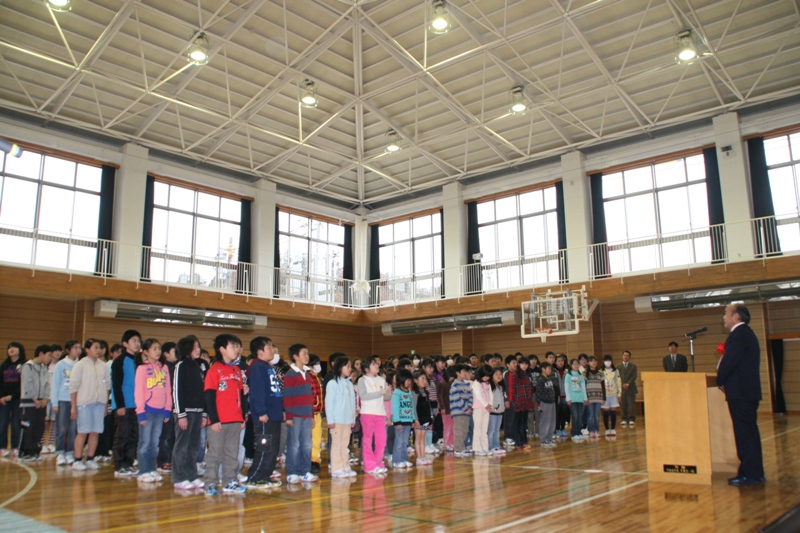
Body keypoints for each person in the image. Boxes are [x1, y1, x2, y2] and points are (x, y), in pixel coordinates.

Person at [718, 304, 765, 486]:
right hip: (748, 392)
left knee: (745, 434)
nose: (723, 317)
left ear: (736, 316)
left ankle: (749, 473)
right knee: (750, 433)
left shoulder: (738, 335)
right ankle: (755, 471)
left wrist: (720, 380)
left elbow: (729, 363)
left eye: (726, 314)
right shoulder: (747, 333)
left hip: (740, 393)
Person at [203, 334, 247, 495]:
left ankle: (230, 481)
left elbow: (241, 395)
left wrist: (242, 415)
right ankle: (210, 482)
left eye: (237, 346)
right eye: (232, 346)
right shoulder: (214, 370)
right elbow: (208, 396)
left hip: (235, 419)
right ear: (222, 349)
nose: (236, 349)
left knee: (232, 453)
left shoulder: (236, 371)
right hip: (219, 421)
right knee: (215, 453)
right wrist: (213, 419)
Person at [244, 336, 283, 490]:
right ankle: (255, 477)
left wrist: (282, 411)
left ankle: (265, 475)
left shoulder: (268, 366)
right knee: (264, 446)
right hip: (264, 415)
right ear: (259, 352)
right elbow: (257, 392)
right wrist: (260, 412)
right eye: (268, 347)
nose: (272, 350)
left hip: (274, 414)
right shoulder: (257, 367)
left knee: (273, 447)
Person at [69, 339, 111, 471]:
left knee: (95, 432)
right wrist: (73, 406)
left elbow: (107, 386)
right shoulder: (80, 365)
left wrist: (104, 404)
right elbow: (73, 387)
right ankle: (77, 459)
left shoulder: (103, 366)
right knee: (82, 432)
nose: (98, 350)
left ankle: (90, 458)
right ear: (87, 349)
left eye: (100, 348)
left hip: (99, 404)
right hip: (84, 404)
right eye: (95, 347)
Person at [171, 336, 206, 491]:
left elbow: (202, 392)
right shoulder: (181, 365)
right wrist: (181, 414)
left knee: (193, 446)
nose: (198, 350)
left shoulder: (197, 366)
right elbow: (176, 390)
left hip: (197, 413)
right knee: (182, 446)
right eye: (195, 347)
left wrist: (204, 413)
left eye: (198, 346)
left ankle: (191, 475)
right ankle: (179, 478)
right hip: (185, 413)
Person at [134, 339, 172, 483]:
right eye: (154, 349)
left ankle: (152, 469)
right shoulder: (142, 369)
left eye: (159, 348)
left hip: (160, 411)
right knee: (145, 442)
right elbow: (138, 391)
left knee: (155, 442)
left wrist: (167, 408)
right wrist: (140, 412)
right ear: (146, 352)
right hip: (147, 410)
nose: (157, 351)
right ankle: (143, 470)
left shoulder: (164, 368)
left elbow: (168, 390)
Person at [282, 343, 319, 485]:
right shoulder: (290, 375)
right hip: (295, 416)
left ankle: (305, 471)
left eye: (307, 353)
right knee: (294, 444)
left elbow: (309, 397)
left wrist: (311, 415)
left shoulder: (308, 375)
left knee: (307, 444)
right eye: (304, 353)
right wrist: (289, 416)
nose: (307, 356)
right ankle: (292, 472)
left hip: (306, 416)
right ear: (295, 357)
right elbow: (287, 397)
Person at [111, 330, 141, 478]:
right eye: (134, 341)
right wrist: (120, 405)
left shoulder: (139, 361)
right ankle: (119, 464)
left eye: (138, 341)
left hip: (137, 405)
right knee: (122, 435)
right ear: (125, 343)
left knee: (134, 435)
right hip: (125, 405)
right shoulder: (120, 361)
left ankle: (129, 462)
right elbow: (116, 385)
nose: (137, 343)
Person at [357, 356, 391, 475]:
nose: (377, 366)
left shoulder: (382, 379)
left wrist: (387, 391)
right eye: (373, 364)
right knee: (367, 440)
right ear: (366, 369)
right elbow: (363, 396)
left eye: (376, 364)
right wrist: (380, 393)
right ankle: (369, 466)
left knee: (381, 440)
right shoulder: (362, 380)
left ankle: (378, 462)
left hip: (380, 413)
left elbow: (387, 397)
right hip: (367, 413)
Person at [326, 356, 358, 478]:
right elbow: (329, 403)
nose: (350, 368)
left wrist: (352, 419)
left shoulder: (349, 384)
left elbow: (352, 402)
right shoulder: (332, 384)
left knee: (345, 445)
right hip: (337, 420)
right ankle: (336, 468)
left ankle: (345, 466)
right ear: (339, 367)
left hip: (347, 420)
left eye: (350, 366)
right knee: (336, 445)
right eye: (347, 366)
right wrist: (330, 420)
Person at [19, 344, 51, 461]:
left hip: (41, 403)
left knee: (39, 428)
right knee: (28, 427)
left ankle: (34, 451)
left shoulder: (44, 368)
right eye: (49, 355)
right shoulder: (28, 367)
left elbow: (47, 384)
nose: (50, 358)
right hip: (28, 403)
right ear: (41, 354)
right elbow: (27, 385)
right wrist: (34, 399)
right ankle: (24, 452)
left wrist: (45, 398)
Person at [52, 340, 80, 465]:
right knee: (61, 428)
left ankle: (70, 452)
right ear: (68, 350)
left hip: (77, 400)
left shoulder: (80, 365)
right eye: (75, 348)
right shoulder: (60, 365)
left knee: (73, 429)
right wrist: (54, 402)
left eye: (79, 348)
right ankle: (60, 452)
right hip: (63, 399)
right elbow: (55, 384)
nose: (78, 350)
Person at [0, 342, 26, 457]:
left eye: (14, 347)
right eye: (9, 347)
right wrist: (1, 396)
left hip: (17, 400)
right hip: (3, 400)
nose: (11, 349)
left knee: (15, 423)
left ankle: (15, 447)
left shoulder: (24, 365)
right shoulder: (4, 365)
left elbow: (23, 384)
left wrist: (12, 396)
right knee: (3, 423)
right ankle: (2, 447)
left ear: (20, 350)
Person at [157, 341, 177, 474]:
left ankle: (172, 460)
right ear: (166, 354)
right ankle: (163, 461)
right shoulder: (163, 368)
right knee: (165, 435)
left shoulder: (178, 367)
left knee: (174, 435)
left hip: (176, 407)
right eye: (174, 351)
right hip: (166, 407)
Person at [391, 369, 415, 468]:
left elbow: (411, 406)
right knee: (399, 442)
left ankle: (404, 459)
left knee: (405, 442)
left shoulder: (409, 392)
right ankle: (397, 461)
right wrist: (397, 421)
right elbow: (395, 408)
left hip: (408, 422)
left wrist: (412, 419)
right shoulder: (396, 393)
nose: (409, 382)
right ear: (401, 380)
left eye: (410, 380)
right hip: (400, 422)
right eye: (407, 380)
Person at [449, 364, 473, 458]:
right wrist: (465, 408)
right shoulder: (454, 385)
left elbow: (471, 396)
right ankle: (458, 448)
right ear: (457, 373)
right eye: (464, 372)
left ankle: (462, 446)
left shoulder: (466, 385)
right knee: (459, 430)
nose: (466, 373)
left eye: (467, 372)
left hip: (467, 412)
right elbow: (456, 398)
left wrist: (470, 407)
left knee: (465, 430)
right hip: (458, 412)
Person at [470, 365, 493, 456]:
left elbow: (491, 394)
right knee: (478, 429)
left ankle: (485, 447)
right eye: (486, 375)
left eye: (488, 376)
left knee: (484, 429)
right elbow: (478, 396)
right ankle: (477, 448)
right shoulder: (476, 383)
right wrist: (486, 405)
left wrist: (490, 404)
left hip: (486, 409)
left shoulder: (488, 384)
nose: (487, 378)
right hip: (478, 408)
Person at [412, 371, 433, 466]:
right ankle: (419, 457)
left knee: (423, 438)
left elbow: (428, 406)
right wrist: (415, 419)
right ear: (415, 381)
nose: (424, 381)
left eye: (425, 379)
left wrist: (430, 418)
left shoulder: (426, 392)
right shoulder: (414, 393)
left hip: (425, 419)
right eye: (422, 379)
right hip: (419, 419)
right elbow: (413, 407)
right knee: (418, 437)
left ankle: (423, 456)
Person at [307, 354, 323, 474]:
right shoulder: (308, 377)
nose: (318, 366)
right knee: (309, 439)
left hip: (318, 413)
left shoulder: (317, 377)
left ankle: (315, 459)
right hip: (310, 412)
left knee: (317, 438)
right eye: (316, 363)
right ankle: (309, 460)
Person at [564, 359, 587, 443]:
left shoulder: (581, 376)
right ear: (571, 365)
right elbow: (567, 388)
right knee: (575, 416)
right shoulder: (568, 376)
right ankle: (574, 433)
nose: (576, 366)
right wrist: (568, 398)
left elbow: (583, 388)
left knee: (580, 416)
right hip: (572, 399)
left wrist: (585, 398)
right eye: (574, 364)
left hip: (580, 399)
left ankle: (579, 432)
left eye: (577, 364)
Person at [536, 363, 557, 447]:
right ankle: (543, 439)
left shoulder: (549, 379)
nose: (550, 371)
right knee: (545, 422)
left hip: (552, 402)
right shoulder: (540, 380)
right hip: (545, 403)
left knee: (552, 421)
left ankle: (549, 438)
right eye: (548, 369)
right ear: (543, 369)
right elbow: (538, 393)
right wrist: (539, 404)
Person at [584, 357, 606, 439]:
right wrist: (585, 398)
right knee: (590, 415)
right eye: (591, 361)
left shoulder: (601, 373)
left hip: (598, 397)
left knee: (596, 415)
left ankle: (596, 430)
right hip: (589, 397)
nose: (593, 363)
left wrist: (604, 398)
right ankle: (590, 430)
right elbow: (584, 386)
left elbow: (603, 386)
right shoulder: (585, 373)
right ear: (588, 363)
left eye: (595, 361)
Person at [601, 355, 622, 436]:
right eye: (606, 360)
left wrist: (619, 394)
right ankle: (607, 429)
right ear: (603, 361)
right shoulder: (601, 371)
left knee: (613, 410)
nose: (608, 362)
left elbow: (618, 382)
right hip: (605, 394)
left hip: (613, 394)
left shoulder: (616, 371)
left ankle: (613, 429)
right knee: (606, 411)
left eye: (609, 360)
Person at [488, 368, 506, 455]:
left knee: (497, 430)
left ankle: (496, 445)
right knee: (491, 430)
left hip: (500, 411)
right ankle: (490, 446)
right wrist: (493, 408)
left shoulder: (501, 387)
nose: (499, 376)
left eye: (500, 374)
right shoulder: (490, 386)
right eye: (496, 374)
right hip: (492, 412)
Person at [436, 366, 454, 451]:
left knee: (453, 427)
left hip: (453, 409)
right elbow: (439, 396)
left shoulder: (453, 383)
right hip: (446, 409)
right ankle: (447, 443)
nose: (452, 378)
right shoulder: (442, 383)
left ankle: (452, 442)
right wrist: (442, 407)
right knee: (447, 427)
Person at [618, 350, 638, 427]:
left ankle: (632, 418)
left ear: (629, 357)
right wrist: (622, 384)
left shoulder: (633, 366)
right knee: (623, 404)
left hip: (631, 388)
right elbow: (617, 377)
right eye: (624, 355)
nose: (626, 357)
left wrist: (627, 383)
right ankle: (624, 418)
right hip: (621, 388)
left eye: (627, 356)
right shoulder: (618, 366)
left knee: (631, 404)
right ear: (622, 356)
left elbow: (634, 376)